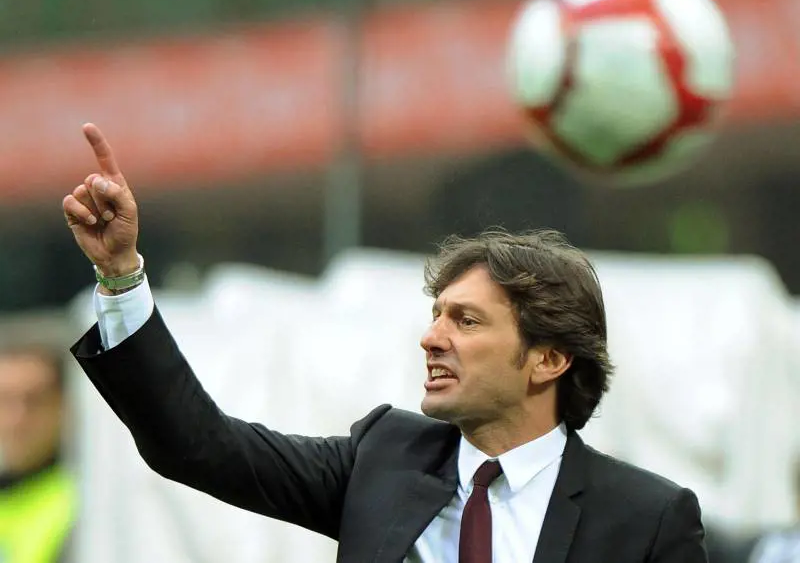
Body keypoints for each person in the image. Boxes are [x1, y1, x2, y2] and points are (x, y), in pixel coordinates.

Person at [62, 123, 708, 562]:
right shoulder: (384, 459)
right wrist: (121, 276)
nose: (431, 338)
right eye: (436, 316)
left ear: (549, 359)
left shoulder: (647, 518)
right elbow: (199, 446)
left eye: (466, 321)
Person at [0, 340, 77, 563]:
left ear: (62, 408)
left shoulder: (83, 501)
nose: (17, 419)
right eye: (5, 401)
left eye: (34, 401)